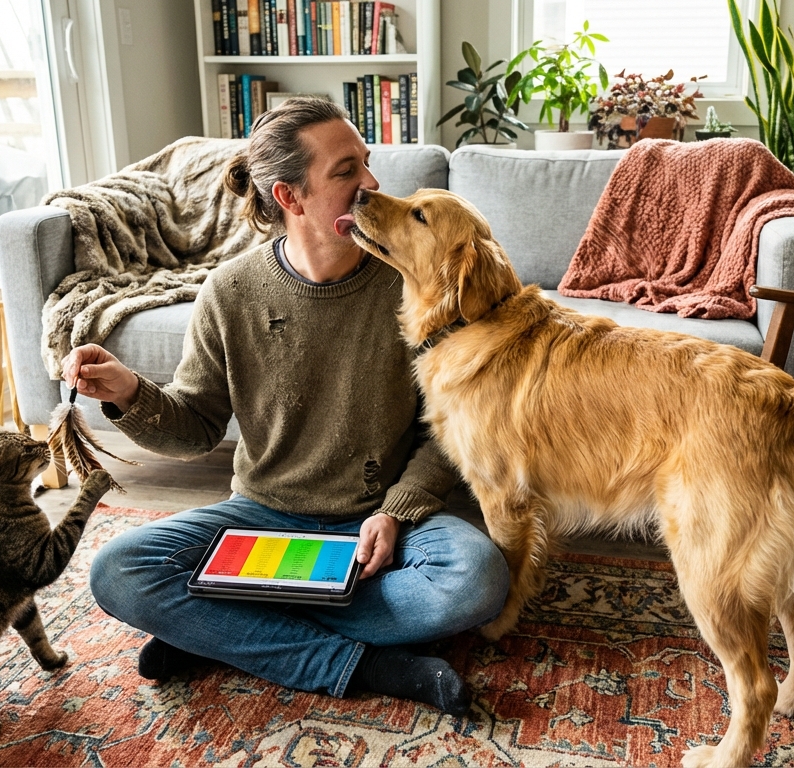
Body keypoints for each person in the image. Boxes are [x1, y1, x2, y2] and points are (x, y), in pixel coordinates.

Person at [69, 98, 509, 715]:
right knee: (117, 570)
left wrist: (397, 511)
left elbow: (446, 432)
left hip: (377, 525)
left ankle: (226, 633)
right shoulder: (230, 290)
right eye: (346, 170)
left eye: (367, 163)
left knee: (478, 580)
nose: (372, 184)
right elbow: (194, 429)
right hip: (261, 518)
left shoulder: (413, 284)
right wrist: (127, 395)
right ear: (290, 197)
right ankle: (365, 663)